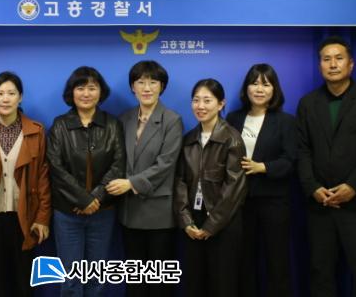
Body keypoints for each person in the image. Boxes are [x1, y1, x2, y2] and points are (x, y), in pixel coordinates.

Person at [297, 36, 356, 297]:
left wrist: (354, 186)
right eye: (326, 59)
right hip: (320, 205)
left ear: (351, 64)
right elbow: (302, 150)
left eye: (339, 58)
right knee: (321, 275)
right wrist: (313, 188)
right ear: (320, 66)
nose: (333, 64)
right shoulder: (307, 104)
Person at [106, 60, 183, 297]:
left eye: (153, 82)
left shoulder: (172, 120)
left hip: (159, 213)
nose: (146, 88)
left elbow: (166, 164)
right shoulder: (125, 119)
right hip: (129, 212)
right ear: (133, 87)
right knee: (135, 280)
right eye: (140, 82)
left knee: (159, 281)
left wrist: (131, 183)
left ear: (162, 87)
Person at [46, 66, 125, 297]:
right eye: (80, 88)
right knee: (70, 278)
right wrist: (83, 200)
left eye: (92, 88)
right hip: (67, 213)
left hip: (102, 212)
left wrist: (95, 198)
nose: (86, 93)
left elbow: (118, 165)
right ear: (71, 92)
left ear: (101, 92)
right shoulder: (60, 125)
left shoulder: (112, 124)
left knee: (96, 277)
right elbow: (55, 168)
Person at [0, 71, 51, 297]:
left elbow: (43, 176)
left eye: (11, 93)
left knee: (23, 281)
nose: (5, 99)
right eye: (0, 94)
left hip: (25, 216)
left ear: (20, 97)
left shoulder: (36, 130)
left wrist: (42, 218)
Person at [226, 64, 297, 297]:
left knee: (277, 261)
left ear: (274, 90)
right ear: (246, 88)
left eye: (266, 84)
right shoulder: (234, 118)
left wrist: (263, 167)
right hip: (240, 202)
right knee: (244, 261)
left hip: (273, 201)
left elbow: (290, 160)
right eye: (254, 83)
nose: (259, 89)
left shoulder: (286, 121)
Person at [174, 78, 247, 296]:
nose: (201, 106)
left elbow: (235, 188)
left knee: (222, 284)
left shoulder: (232, 138)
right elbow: (180, 181)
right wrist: (186, 221)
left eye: (207, 100)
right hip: (193, 222)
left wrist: (211, 226)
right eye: (196, 100)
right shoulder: (189, 139)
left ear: (221, 104)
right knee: (194, 284)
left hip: (223, 223)